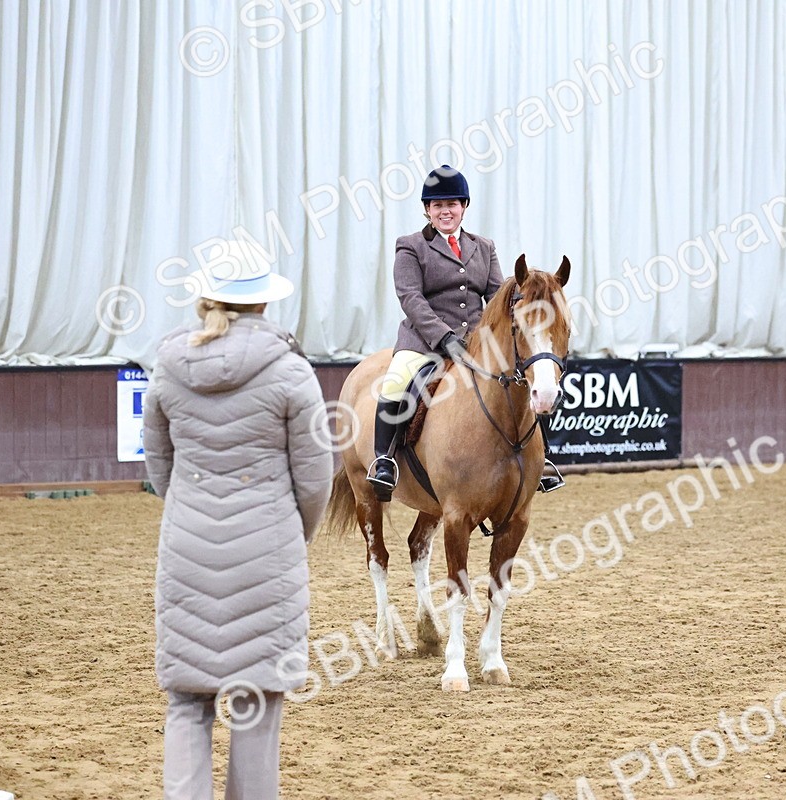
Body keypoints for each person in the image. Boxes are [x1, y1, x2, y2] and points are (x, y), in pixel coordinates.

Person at [144, 243, 333, 800]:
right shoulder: (292, 372)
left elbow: (160, 467)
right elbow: (316, 477)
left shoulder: (167, 367)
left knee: (186, 702)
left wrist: (189, 509)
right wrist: (291, 535)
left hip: (187, 551)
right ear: (263, 304)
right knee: (256, 704)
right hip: (266, 553)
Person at [365, 165, 564, 500]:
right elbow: (410, 298)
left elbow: (496, 297)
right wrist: (443, 337)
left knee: (523, 378)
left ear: (464, 207)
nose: (446, 210)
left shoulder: (483, 247)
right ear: (427, 209)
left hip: (476, 342)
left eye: (453, 204)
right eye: (438, 205)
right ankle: (384, 461)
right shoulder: (411, 246)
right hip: (424, 341)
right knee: (397, 380)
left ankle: (539, 462)